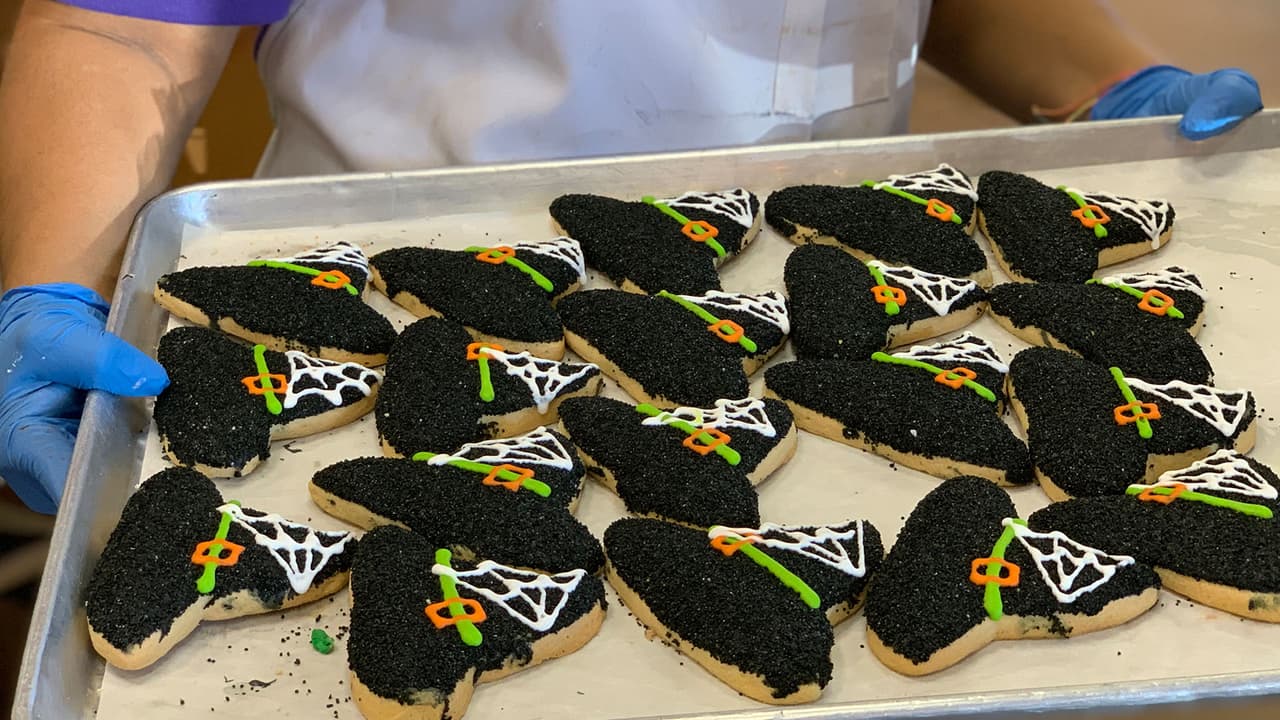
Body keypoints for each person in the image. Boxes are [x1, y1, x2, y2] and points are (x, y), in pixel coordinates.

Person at [0, 0, 1263, 513]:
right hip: (387, 311)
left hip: (813, 296)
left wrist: (1109, 91)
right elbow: (125, 28)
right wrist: (42, 278)